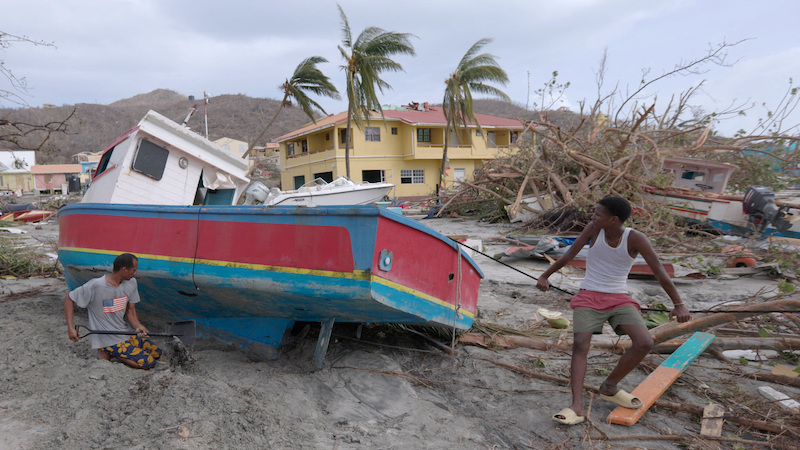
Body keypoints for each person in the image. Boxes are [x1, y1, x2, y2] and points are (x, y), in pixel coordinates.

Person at [536, 196, 690, 425]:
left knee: (644, 342)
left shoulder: (635, 238)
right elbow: (569, 255)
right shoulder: (593, 229)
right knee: (581, 344)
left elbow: (659, 271)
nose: (593, 217)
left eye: (598, 214)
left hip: (619, 298)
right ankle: (576, 405)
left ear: (614, 220)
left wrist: (679, 304)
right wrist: (544, 276)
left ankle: (610, 386)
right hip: (588, 295)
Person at [64, 253, 162, 370]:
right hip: (107, 338)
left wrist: (138, 326)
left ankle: (111, 351)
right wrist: (71, 328)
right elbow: (69, 298)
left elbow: (130, 310)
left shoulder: (131, 283)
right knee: (149, 363)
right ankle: (110, 351)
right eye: (133, 270)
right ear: (124, 270)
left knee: (158, 354)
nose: (135, 273)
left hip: (124, 332)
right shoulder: (96, 285)